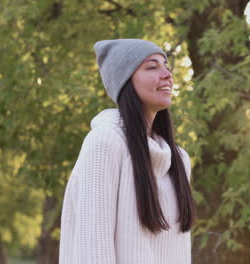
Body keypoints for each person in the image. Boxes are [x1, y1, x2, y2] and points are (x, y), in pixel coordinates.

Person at [58, 39, 195, 264]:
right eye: (152, 67)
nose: (167, 74)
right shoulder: (105, 143)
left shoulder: (179, 160)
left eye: (166, 66)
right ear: (126, 82)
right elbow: (93, 251)